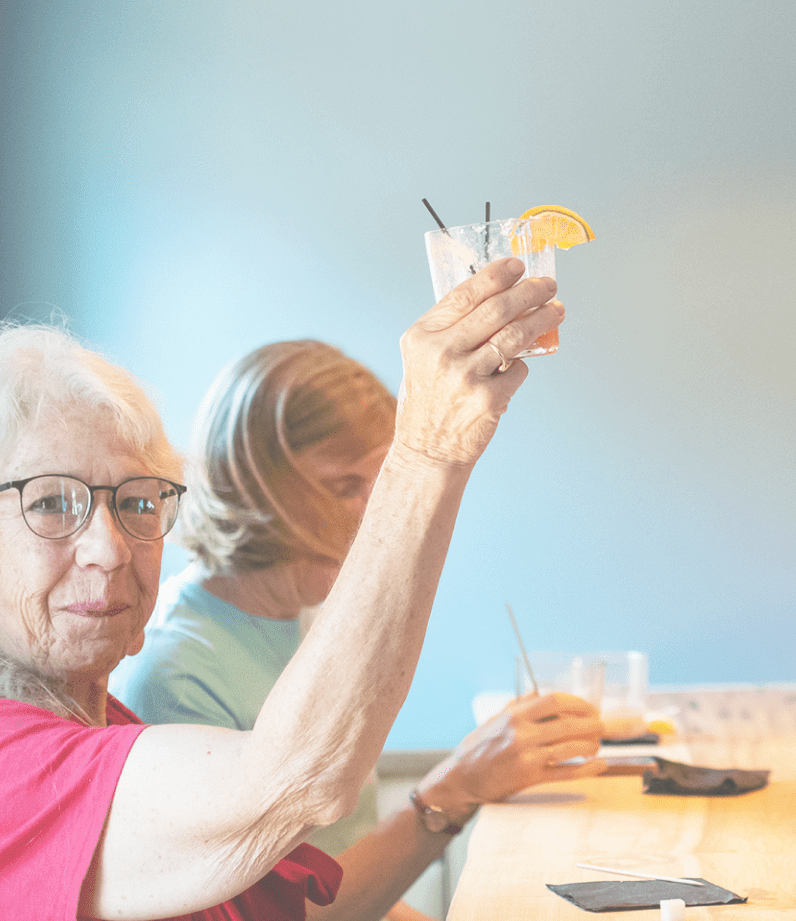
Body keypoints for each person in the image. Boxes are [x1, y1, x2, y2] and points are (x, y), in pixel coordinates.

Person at [0, 257, 588, 920]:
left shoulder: (113, 726)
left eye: (137, 503)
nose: (110, 550)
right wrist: (427, 449)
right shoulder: (16, 768)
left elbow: (298, 903)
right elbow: (289, 779)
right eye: (50, 503)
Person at [111, 340, 605, 921]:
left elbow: (339, 864)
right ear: (254, 492)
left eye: (381, 482)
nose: (375, 513)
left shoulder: (310, 616)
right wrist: (450, 793)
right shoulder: (173, 677)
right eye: (347, 486)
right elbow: (287, 913)